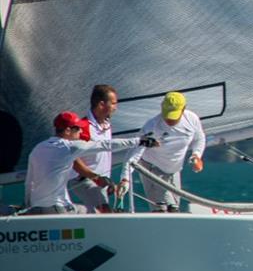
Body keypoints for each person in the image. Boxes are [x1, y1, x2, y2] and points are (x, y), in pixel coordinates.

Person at [23, 111, 159, 215]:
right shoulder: (70, 147)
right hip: (58, 209)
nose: (81, 131)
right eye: (78, 128)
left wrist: (27, 206)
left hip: (36, 209)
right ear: (68, 130)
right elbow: (106, 145)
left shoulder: (37, 148)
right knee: (94, 214)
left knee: (83, 210)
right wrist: (140, 141)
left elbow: (29, 182)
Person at [126, 91, 205, 212]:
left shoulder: (192, 119)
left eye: (173, 115)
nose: (169, 119)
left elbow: (199, 138)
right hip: (152, 168)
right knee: (164, 209)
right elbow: (136, 150)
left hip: (174, 170)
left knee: (174, 208)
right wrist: (125, 178)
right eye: (167, 114)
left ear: (183, 109)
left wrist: (196, 155)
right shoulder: (152, 125)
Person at [67, 85, 118, 213]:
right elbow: (72, 158)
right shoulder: (82, 127)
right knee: (104, 212)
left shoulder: (107, 125)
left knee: (101, 214)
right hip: (83, 180)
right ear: (101, 104)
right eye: (113, 103)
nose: (115, 107)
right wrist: (96, 178)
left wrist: (106, 182)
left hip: (100, 181)